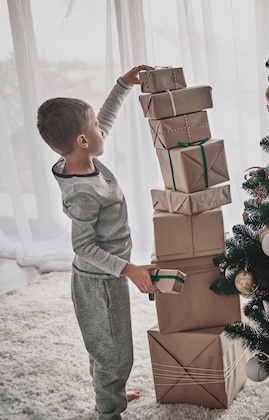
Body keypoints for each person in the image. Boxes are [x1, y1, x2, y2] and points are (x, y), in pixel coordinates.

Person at [36, 65, 160, 420]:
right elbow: (83, 247)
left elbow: (102, 121)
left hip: (104, 277)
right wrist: (129, 269)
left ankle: (109, 396)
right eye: (93, 129)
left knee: (104, 346)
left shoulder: (81, 159)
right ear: (82, 141)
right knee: (115, 353)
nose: (101, 130)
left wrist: (123, 85)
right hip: (100, 282)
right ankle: (109, 412)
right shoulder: (82, 192)